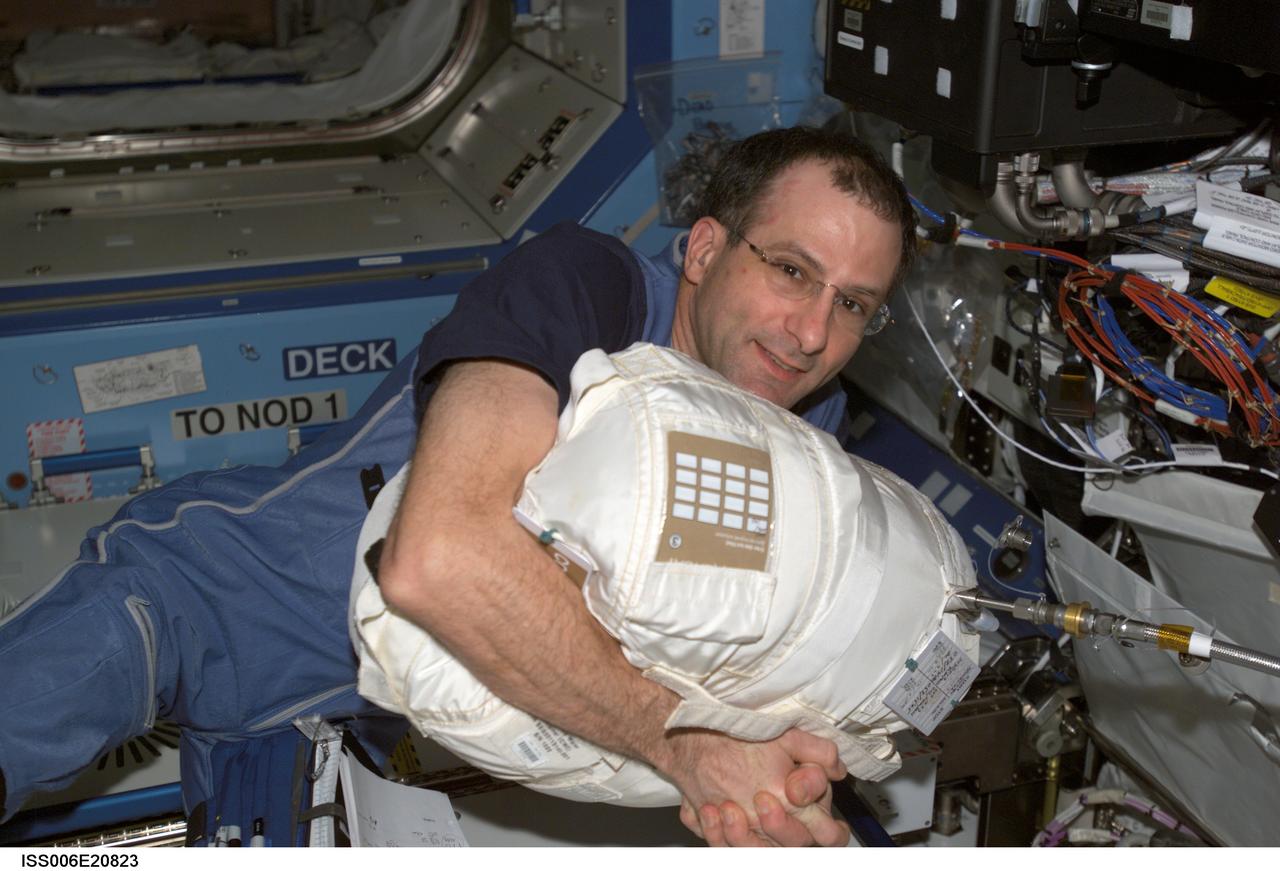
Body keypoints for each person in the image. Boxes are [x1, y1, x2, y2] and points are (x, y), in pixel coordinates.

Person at [0, 125, 916, 847]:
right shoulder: (584, 288)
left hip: (347, 717)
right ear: (707, 250)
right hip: (206, 598)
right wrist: (685, 747)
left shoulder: (806, 433)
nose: (810, 334)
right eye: (792, 270)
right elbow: (435, 562)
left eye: (852, 305)